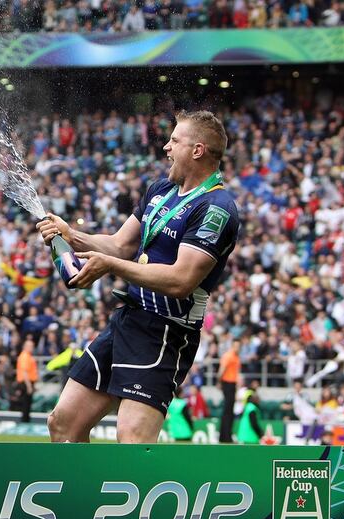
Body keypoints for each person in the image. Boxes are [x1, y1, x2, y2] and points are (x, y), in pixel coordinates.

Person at [37, 110, 241, 444]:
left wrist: (111, 266)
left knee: (132, 439)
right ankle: (83, 497)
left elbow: (181, 280)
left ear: (197, 150)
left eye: (174, 140)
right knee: (64, 424)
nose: (166, 147)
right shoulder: (160, 190)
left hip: (164, 330)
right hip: (127, 320)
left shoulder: (216, 207)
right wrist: (69, 234)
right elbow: (118, 244)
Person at [217, 340, 241, 442]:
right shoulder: (228, 356)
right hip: (227, 383)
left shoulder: (236, 357)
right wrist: (219, 382)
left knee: (229, 411)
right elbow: (221, 370)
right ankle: (225, 436)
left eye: (239, 346)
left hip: (232, 384)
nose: (237, 348)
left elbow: (237, 373)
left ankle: (225, 435)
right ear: (232, 346)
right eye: (236, 346)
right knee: (228, 411)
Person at [13, 339, 38, 421]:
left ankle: (26, 419)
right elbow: (24, 372)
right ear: (25, 346)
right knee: (26, 404)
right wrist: (29, 386)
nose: (32, 348)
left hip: (27, 382)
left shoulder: (27, 356)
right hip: (25, 383)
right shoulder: (25, 356)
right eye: (30, 346)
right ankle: (25, 421)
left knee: (27, 404)